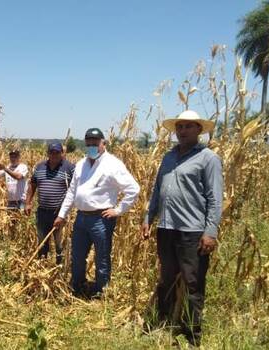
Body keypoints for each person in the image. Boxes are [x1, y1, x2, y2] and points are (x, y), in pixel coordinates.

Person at [141, 110, 222, 347]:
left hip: (192, 231)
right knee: (166, 278)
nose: (183, 131)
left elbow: (215, 199)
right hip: (166, 228)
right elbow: (158, 190)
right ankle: (160, 321)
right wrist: (148, 217)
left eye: (188, 126)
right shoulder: (168, 157)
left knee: (192, 283)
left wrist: (210, 232)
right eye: (180, 127)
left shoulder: (208, 158)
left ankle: (191, 335)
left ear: (199, 130)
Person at [54, 128, 140, 297]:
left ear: (103, 143)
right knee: (77, 255)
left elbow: (133, 189)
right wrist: (62, 215)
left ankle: (101, 291)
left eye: (95, 142)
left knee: (102, 256)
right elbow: (72, 192)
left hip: (101, 219)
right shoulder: (81, 164)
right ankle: (77, 286)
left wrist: (118, 210)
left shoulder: (113, 164)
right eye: (89, 142)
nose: (92, 145)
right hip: (81, 218)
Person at [25, 143, 74, 265]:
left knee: (59, 241)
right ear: (48, 153)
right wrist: (28, 203)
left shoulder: (69, 167)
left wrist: (63, 214)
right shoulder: (40, 167)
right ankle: (42, 264)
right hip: (42, 212)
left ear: (62, 153)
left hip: (59, 213)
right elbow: (32, 184)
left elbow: (75, 189)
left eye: (57, 152)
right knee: (42, 240)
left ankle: (59, 267)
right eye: (52, 152)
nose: (54, 155)